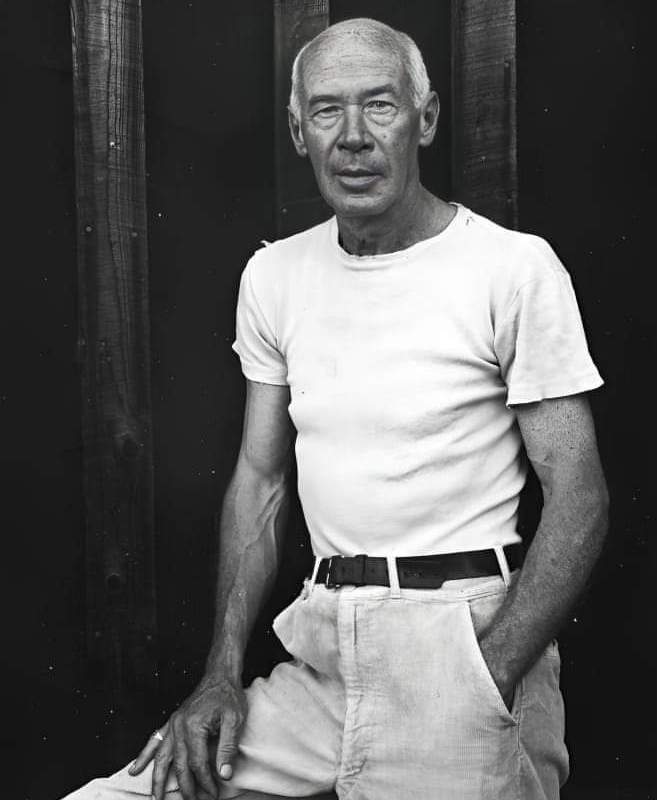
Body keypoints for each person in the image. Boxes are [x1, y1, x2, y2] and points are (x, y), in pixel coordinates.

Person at [61, 17, 608, 800]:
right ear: (298, 131)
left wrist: (488, 674)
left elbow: (579, 497)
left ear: (424, 119)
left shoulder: (512, 269)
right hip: (323, 654)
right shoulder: (275, 276)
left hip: (461, 642)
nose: (353, 137)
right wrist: (219, 676)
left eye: (379, 105)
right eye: (326, 110)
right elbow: (259, 483)